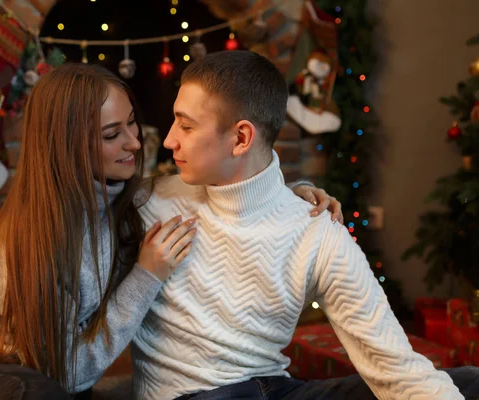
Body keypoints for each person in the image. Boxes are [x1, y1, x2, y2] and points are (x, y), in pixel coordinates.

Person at [0, 62, 342, 396]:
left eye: (131, 124)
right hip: (4, 384)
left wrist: (289, 195)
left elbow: (210, 190)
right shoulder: (33, 241)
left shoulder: (122, 197)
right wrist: (147, 275)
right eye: (111, 134)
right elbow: (69, 376)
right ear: (68, 145)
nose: (135, 143)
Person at [131, 50, 479, 400]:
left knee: (468, 381)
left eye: (186, 125)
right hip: (197, 395)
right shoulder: (146, 201)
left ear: (241, 139)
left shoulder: (315, 227)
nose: (169, 140)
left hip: (279, 389)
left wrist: (286, 196)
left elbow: (393, 365)